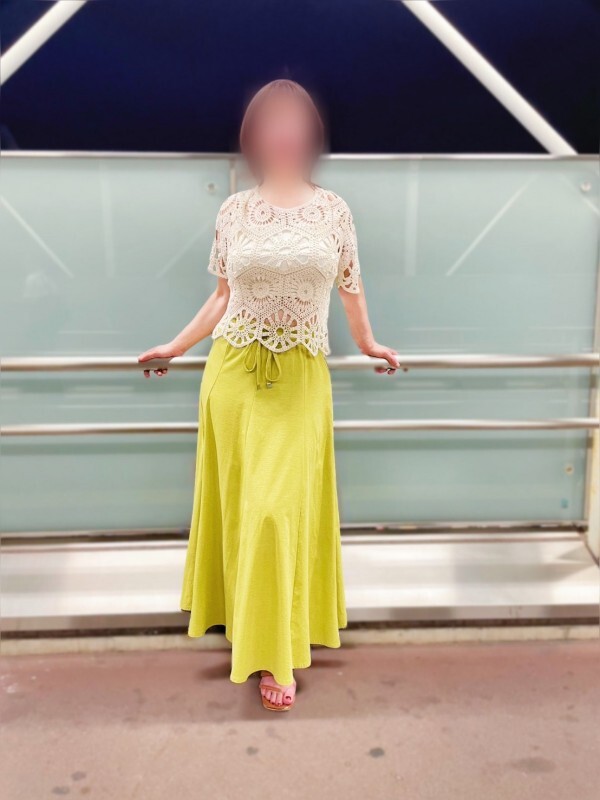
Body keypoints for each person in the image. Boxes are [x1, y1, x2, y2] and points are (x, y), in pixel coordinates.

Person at [139, 79, 400, 712]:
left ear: (310, 133)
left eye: (294, 122)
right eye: (271, 123)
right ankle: (263, 649)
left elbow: (350, 287)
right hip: (234, 375)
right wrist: (175, 346)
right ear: (254, 135)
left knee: (277, 512)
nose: (283, 134)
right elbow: (222, 297)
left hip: (302, 380)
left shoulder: (334, 211)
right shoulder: (235, 211)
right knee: (249, 512)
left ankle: (274, 644)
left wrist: (368, 343)